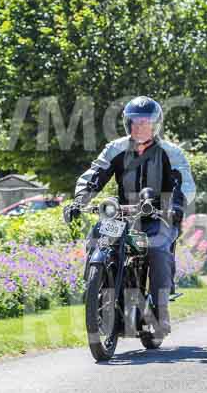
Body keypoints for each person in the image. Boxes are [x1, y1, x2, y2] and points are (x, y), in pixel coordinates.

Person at [63, 96, 196, 337]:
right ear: (127, 124)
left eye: (145, 122)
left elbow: (183, 182)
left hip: (159, 215)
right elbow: (95, 175)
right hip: (124, 214)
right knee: (97, 235)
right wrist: (79, 201)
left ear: (155, 125)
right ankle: (96, 286)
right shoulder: (116, 148)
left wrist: (176, 206)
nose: (139, 127)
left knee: (157, 249)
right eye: (134, 122)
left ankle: (159, 310)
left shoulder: (170, 152)